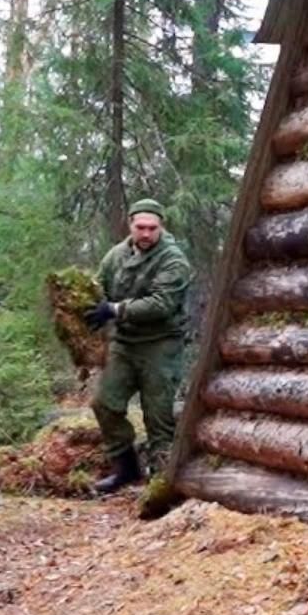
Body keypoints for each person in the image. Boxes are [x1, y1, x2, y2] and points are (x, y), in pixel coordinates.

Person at [83, 198, 192, 493]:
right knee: (105, 404)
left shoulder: (173, 260)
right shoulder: (116, 256)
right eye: (140, 227)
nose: (146, 234)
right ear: (130, 225)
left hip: (161, 344)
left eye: (152, 228)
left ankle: (162, 482)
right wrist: (85, 306)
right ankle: (126, 469)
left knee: (158, 416)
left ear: (161, 227)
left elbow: (161, 304)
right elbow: (98, 287)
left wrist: (114, 310)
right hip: (125, 343)